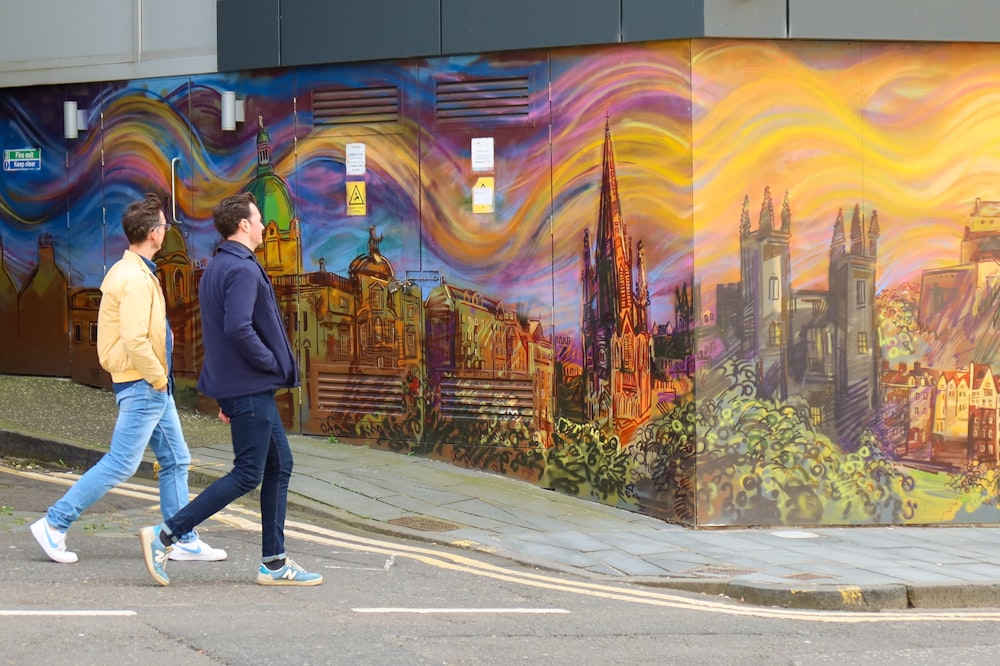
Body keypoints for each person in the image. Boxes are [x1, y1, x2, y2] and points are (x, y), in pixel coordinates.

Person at [31, 194, 226, 565]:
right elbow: (136, 339)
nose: (167, 230)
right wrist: (157, 378)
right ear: (154, 234)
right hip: (144, 384)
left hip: (149, 385)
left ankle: (181, 536)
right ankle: (54, 523)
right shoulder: (135, 279)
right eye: (164, 226)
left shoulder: (131, 270)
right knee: (121, 463)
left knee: (175, 458)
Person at [139, 192, 322, 587]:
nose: (261, 227)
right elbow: (238, 329)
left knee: (279, 465)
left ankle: (274, 562)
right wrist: (271, 365)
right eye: (258, 221)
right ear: (244, 225)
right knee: (246, 473)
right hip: (251, 386)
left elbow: (219, 336)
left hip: (242, 387)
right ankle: (165, 535)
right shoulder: (240, 270)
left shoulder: (221, 266)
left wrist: (228, 391)